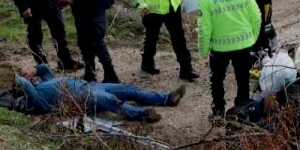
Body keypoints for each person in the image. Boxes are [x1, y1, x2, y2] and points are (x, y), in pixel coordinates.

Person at [198, 0, 262, 119]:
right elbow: (256, 16)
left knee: (217, 80)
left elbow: (205, 29)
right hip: (244, 44)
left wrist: (204, 51)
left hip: (220, 48)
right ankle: (242, 111)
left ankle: (218, 112)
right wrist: (252, 38)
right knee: (242, 79)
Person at [13, 63, 186, 123]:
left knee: (129, 89)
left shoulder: (44, 82)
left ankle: (167, 99)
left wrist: (32, 72)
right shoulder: (36, 101)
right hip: (82, 98)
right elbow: (25, 85)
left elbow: (43, 68)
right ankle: (142, 115)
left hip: (89, 85)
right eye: (29, 82)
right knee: (112, 100)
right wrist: (17, 78)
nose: (31, 81)